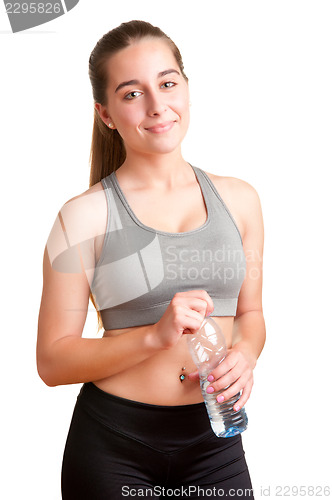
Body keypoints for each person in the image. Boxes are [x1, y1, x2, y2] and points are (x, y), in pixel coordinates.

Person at [36, 20, 266, 499]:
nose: (158, 105)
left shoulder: (240, 200)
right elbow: (52, 361)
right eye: (131, 93)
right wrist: (154, 337)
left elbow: (250, 315)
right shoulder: (82, 217)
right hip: (114, 445)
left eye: (167, 83)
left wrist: (245, 354)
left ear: (185, 88)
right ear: (105, 113)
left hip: (216, 441)